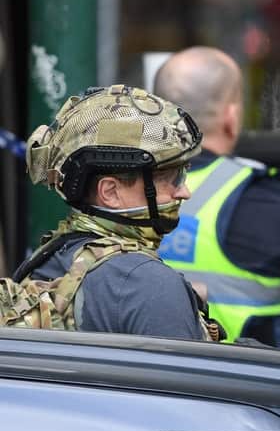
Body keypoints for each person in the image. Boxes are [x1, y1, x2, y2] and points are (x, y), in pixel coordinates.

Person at [154, 47, 280, 346]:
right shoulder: (266, 198)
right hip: (247, 383)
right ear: (232, 116)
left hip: (144, 377)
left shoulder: (121, 190)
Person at [12, 85, 212, 339]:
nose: (184, 192)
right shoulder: (148, 284)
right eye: (170, 178)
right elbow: (187, 378)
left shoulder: (49, 256)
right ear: (110, 192)